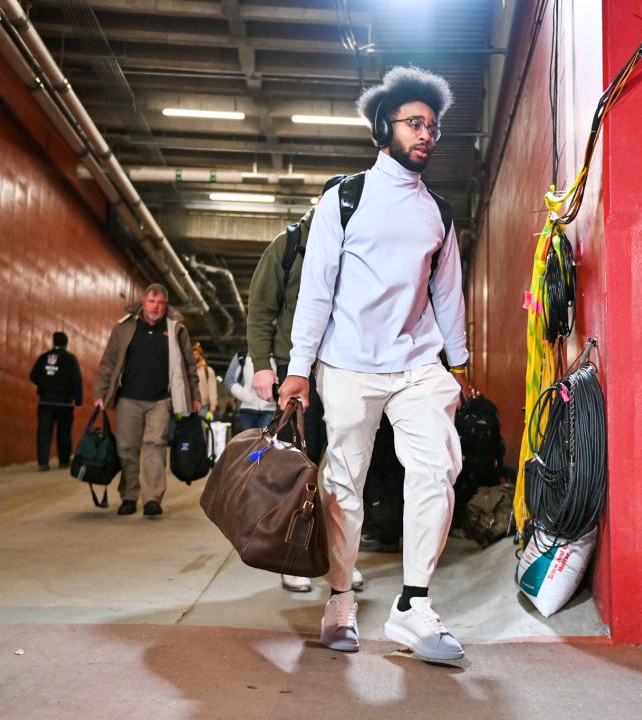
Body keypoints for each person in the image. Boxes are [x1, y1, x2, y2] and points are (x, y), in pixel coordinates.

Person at [277, 66, 470, 661]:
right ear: (385, 127)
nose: (427, 135)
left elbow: (448, 294)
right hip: (348, 363)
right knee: (344, 485)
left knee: (438, 468)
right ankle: (340, 598)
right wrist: (298, 367)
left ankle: (413, 605)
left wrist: (458, 366)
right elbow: (316, 288)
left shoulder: (438, 211)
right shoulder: (346, 198)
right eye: (416, 123)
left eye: (433, 127)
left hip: (417, 364)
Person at [246, 173, 366, 594]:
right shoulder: (290, 244)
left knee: (346, 466)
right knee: (299, 464)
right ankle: (292, 554)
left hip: (347, 368)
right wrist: (263, 365)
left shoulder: (356, 245)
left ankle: (338, 557)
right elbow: (261, 309)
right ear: (319, 201)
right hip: (296, 368)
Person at [92, 284, 201, 518]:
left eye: (161, 303)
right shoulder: (124, 328)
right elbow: (108, 362)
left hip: (160, 400)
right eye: (152, 302)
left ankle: (152, 498)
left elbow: (189, 365)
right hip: (128, 398)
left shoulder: (175, 329)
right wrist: (100, 394)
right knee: (126, 448)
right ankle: (129, 496)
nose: (156, 307)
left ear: (166, 305)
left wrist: (195, 396)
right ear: (144, 302)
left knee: (155, 445)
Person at [28, 331, 82, 471]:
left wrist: (44, 384)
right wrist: (78, 400)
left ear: (53, 342)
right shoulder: (70, 359)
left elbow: (33, 376)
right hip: (64, 403)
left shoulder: (43, 357)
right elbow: (77, 379)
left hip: (45, 402)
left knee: (44, 432)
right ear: (66, 343)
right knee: (64, 432)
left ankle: (43, 462)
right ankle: (63, 461)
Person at [193, 343, 219, 417]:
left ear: (201, 356)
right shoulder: (189, 371)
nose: (194, 357)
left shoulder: (208, 370)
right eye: (192, 355)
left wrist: (212, 407)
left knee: (202, 428)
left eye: (196, 354)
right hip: (190, 407)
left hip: (203, 407)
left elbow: (212, 389)